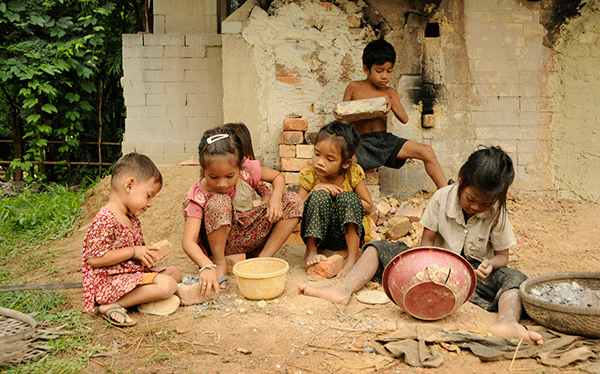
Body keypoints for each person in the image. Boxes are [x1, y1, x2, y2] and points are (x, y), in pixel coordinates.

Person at [299, 146, 543, 345]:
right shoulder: (442, 197)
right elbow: (426, 243)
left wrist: (490, 264)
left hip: (473, 274)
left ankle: (508, 322)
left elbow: (503, 256)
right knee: (378, 248)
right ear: (460, 180)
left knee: (514, 278)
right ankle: (344, 289)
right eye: (471, 199)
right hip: (433, 262)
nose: (477, 207)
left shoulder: (498, 212)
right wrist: (428, 268)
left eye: (486, 205)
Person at [182, 126, 303, 297]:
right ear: (202, 169)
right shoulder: (199, 193)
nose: (222, 184)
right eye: (213, 177)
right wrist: (206, 265)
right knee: (219, 201)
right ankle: (220, 264)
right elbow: (188, 241)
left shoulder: (247, 171)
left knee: (293, 201)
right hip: (220, 242)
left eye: (229, 176)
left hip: (248, 234)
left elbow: (278, 177)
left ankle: (263, 258)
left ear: (241, 166)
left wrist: (275, 198)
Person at [82, 153, 182, 327]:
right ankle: (112, 305)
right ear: (129, 185)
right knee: (167, 285)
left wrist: (146, 253)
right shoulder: (106, 220)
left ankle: (141, 300)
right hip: (110, 283)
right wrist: (134, 251)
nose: (150, 203)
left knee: (175, 273)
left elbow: (133, 253)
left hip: (128, 276)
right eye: (148, 196)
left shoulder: (131, 218)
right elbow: (94, 259)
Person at [338, 38, 447, 189]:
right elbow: (343, 122)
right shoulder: (354, 87)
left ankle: (446, 193)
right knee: (347, 161)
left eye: (389, 71)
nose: (385, 76)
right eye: (379, 71)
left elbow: (404, 118)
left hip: (384, 142)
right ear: (365, 69)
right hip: (360, 143)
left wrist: (391, 101)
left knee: (427, 151)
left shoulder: (390, 92)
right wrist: (340, 115)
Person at [298, 121, 373, 278]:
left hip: (345, 234)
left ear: (345, 163)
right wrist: (315, 190)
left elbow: (369, 207)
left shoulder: (352, 173)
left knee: (349, 198)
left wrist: (341, 196)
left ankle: (352, 259)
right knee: (318, 196)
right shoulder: (310, 175)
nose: (320, 162)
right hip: (321, 237)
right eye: (317, 154)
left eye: (330, 159)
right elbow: (296, 209)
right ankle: (312, 252)